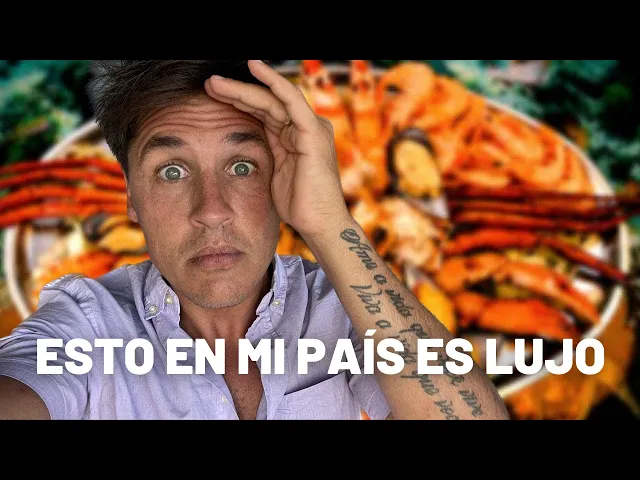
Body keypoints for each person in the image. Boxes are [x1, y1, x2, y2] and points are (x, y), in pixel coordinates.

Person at [0, 60, 511, 420]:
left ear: (280, 179)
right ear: (132, 197)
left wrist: (330, 221)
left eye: (242, 167)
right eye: (172, 171)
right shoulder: (84, 325)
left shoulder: (340, 308)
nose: (211, 211)